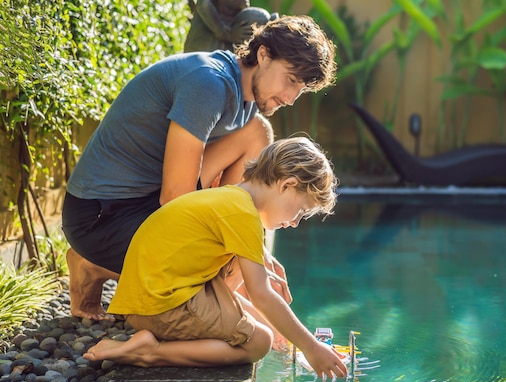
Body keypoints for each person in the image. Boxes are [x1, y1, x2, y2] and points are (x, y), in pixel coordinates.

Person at [62, 15, 337, 322]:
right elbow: (175, 196)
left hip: (141, 200)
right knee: (222, 260)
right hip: (100, 216)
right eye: (291, 80)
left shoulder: (243, 99)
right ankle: (95, 264)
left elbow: (231, 200)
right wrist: (239, 254)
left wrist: (251, 248)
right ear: (263, 55)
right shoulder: (209, 83)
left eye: (300, 88)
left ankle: (210, 304)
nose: (290, 98)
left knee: (258, 133)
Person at [83, 137, 348, 380]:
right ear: (286, 184)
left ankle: (153, 341)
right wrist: (311, 348)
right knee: (259, 342)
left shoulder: (230, 198)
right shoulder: (243, 215)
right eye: (299, 210)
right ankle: (151, 352)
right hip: (162, 308)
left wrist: (281, 329)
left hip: (148, 301)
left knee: (239, 276)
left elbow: (230, 291)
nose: (294, 223)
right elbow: (261, 295)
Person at [183, 0, 278, 53]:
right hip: (204, 41)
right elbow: (203, 4)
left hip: (224, 45)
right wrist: (226, 34)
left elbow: (244, 10)